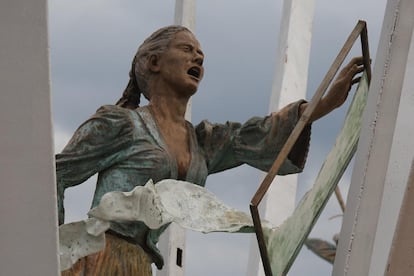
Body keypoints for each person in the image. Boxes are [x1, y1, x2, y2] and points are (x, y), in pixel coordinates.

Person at [57, 25, 364, 275]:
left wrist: (323, 105)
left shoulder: (203, 142)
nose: (198, 58)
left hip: (140, 264)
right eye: (187, 50)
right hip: (96, 258)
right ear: (154, 63)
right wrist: (45, 251)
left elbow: (257, 135)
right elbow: (54, 175)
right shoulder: (121, 124)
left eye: (201, 54)